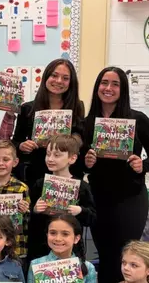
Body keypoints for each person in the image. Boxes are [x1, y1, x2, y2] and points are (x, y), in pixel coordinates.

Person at [83, 66, 149, 282]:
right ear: (97, 87)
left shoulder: (138, 119)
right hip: (98, 198)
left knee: (126, 256)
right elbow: (78, 163)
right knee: (105, 255)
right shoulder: (87, 122)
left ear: (123, 89)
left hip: (130, 198)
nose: (108, 88)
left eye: (115, 84)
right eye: (104, 82)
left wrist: (143, 165)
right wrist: (86, 162)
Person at [10, 58, 85, 187]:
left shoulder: (77, 107)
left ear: (71, 82)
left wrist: (75, 140)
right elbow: (16, 142)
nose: (59, 81)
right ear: (46, 77)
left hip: (67, 175)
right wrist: (22, 146)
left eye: (65, 78)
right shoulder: (27, 108)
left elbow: (81, 138)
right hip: (35, 172)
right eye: (54, 75)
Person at [28, 134, 96, 262]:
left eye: (57, 155)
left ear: (72, 158)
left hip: (71, 249)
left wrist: (80, 211)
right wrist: (35, 210)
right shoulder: (39, 184)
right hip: (41, 248)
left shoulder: (81, 187)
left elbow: (92, 218)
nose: (50, 159)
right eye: (48, 154)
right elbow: (28, 217)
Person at [27, 214, 97, 282]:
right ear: (47, 235)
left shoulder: (88, 267)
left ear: (76, 238)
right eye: (53, 233)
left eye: (65, 234)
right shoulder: (35, 264)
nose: (58, 239)